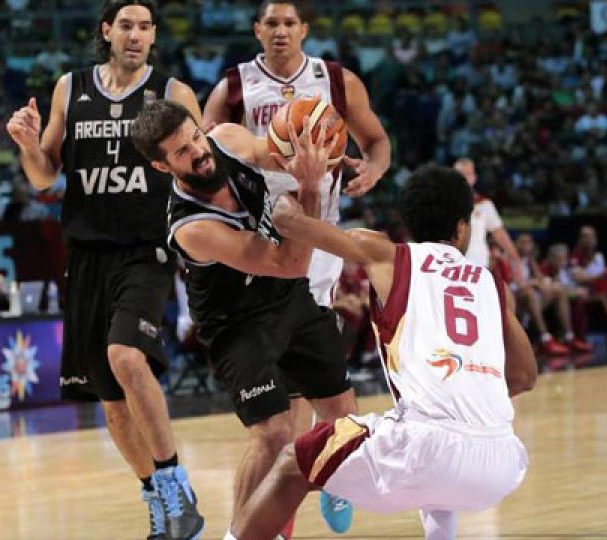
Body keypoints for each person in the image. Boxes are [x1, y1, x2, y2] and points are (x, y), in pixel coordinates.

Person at [225, 164, 537, 540]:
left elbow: (289, 222)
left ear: (407, 224)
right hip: (500, 465)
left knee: (295, 462)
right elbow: (524, 376)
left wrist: (291, 184)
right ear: (461, 228)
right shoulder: (491, 284)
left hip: (425, 450)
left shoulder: (387, 254)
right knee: (437, 478)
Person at [5, 2, 205, 539]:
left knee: (126, 356)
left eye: (145, 27)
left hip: (146, 251)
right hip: (87, 256)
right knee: (111, 403)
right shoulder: (70, 88)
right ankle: (156, 497)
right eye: (126, 25)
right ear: (107, 31)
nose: (135, 35)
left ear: (154, 35)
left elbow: (203, 168)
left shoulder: (173, 93)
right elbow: (44, 176)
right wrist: (28, 145)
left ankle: (175, 480)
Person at [203, 2, 392, 531]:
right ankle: (291, 503)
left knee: (309, 383)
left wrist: (372, 170)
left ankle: (321, 479)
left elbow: (377, 140)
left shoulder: (335, 80)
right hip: (260, 242)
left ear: (304, 29)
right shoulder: (233, 88)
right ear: (257, 29)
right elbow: (203, 157)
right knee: (284, 403)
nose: (281, 31)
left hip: (318, 239)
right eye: (272, 23)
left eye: (290, 23)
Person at [129, 99, 357, 533]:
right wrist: (309, 190)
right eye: (182, 151)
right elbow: (291, 262)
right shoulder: (191, 227)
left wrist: (316, 148)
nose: (198, 151)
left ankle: (333, 476)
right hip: (236, 324)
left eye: (196, 137)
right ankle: (239, 534)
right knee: (273, 434)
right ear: (162, 166)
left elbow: (277, 154)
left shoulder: (227, 140)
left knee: (342, 416)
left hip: (287, 299)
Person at [512, 233, 591, 355]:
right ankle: (545, 339)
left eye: (529, 242)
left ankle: (568, 336)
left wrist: (532, 262)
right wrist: (533, 283)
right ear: (515, 244)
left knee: (559, 289)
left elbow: (540, 279)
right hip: (515, 300)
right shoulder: (510, 259)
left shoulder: (529, 260)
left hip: (532, 299)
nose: (526, 245)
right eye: (523, 242)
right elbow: (514, 284)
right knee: (530, 293)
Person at [454, 157, 519, 271]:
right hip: (451, 266)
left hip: (478, 266)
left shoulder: (485, 204)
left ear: (474, 178)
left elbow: (499, 234)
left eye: (468, 174)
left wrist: (515, 258)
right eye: (461, 174)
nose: (464, 178)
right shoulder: (443, 204)